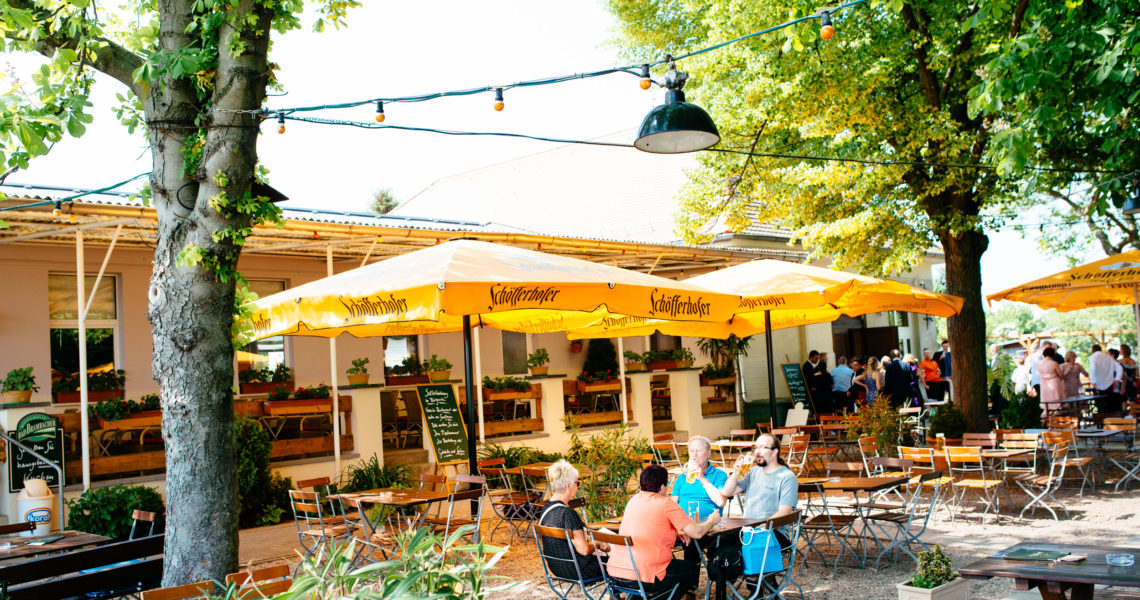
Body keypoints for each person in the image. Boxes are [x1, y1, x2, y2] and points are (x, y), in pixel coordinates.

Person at [608, 464, 720, 598]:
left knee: (671, 571)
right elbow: (696, 533)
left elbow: (652, 524)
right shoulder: (665, 503)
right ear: (662, 487)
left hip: (616, 573)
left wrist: (677, 529)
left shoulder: (634, 500)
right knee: (690, 570)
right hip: (644, 576)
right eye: (667, 484)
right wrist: (712, 520)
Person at [719, 433, 799, 549]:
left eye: (763, 447)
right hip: (748, 529)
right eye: (756, 447)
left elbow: (784, 512)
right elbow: (727, 492)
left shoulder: (786, 477)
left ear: (774, 452)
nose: (757, 451)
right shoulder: (753, 472)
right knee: (718, 543)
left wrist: (761, 527)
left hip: (773, 532)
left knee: (730, 552)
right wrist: (736, 473)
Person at [538, 460, 608, 581]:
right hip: (580, 570)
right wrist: (598, 544)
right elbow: (584, 550)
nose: (578, 486)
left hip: (557, 569)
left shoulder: (546, 508)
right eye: (577, 483)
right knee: (620, 563)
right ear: (569, 485)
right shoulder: (568, 514)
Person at [670, 436, 727, 563]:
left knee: (691, 541)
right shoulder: (681, 478)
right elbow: (671, 506)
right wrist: (677, 528)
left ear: (708, 454)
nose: (694, 455)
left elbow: (721, 501)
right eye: (691, 451)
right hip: (683, 528)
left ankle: (691, 581)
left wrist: (701, 478)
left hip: (708, 528)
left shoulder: (719, 475)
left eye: (699, 451)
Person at [1089, 344, 1121, 415]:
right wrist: (1117, 379)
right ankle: (1110, 422)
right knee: (1110, 406)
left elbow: (1093, 369)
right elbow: (1119, 367)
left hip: (1098, 385)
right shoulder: (1108, 357)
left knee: (1100, 406)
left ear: (1092, 351)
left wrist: (1093, 381)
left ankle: (1102, 423)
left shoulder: (1093, 357)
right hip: (1109, 385)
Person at [1038, 347, 1063, 417]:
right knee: (1056, 405)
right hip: (1054, 383)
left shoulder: (1039, 363)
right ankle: (1054, 421)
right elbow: (1060, 374)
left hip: (1043, 383)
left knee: (1046, 406)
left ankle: (1042, 422)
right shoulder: (1054, 363)